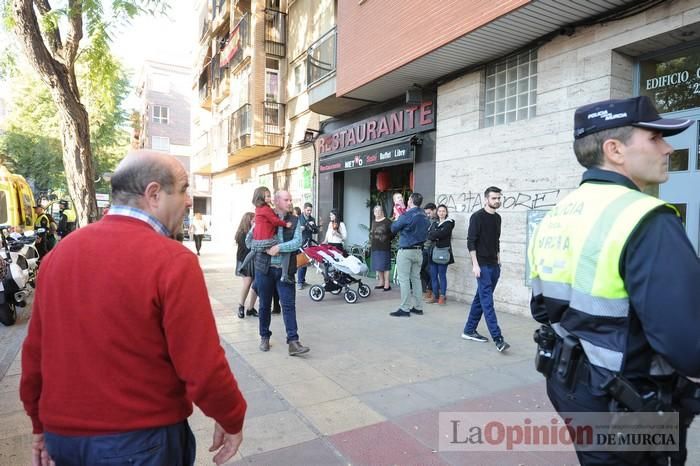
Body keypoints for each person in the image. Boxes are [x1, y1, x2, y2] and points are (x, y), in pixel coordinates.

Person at [20, 150, 247, 466]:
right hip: (140, 441)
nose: (189, 201)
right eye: (183, 189)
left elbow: (34, 353)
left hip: (64, 438)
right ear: (154, 194)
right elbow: (202, 365)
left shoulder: (59, 255)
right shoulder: (172, 261)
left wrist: (39, 425)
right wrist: (231, 416)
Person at [528, 96, 700, 465]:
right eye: (655, 138)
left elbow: (542, 308)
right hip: (631, 405)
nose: (668, 148)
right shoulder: (647, 219)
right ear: (614, 150)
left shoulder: (555, 216)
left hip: (571, 386)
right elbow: (689, 347)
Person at [248, 190, 310, 356]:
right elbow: (249, 239)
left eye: (291, 199)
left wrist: (278, 248)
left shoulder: (295, 220)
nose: (290, 202)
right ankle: (264, 336)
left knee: (289, 306)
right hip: (265, 269)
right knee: (264, 305)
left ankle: (293, 342)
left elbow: (297, 242)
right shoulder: (262, 216)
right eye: (286, 199)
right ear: (276, 201)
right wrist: (262, 246)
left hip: (285, 270)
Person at [462, 186, 510, 352]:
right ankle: (498, 339)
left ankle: (469, 330)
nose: (497, 201)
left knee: (480, 298)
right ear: (486, 199)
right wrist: (475, 264)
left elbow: (496, 240)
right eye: (494, 198)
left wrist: (499, 259)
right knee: (487, 302)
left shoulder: (498, 218)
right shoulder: (477, 217)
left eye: (498, 198)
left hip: (494, 265)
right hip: (481, 266)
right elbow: (471, 242)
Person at [239, 187, 293, 284]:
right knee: (285, 249)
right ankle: (284, 275)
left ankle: (242, 266)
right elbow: (275, 221)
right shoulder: (266, 209)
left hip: (257, 241)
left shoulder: (258, 209)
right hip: (267, 240)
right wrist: (286, 224)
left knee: (254, 250)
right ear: (261, 197)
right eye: (267, 196)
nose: (270, 197)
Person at [389, 193, 430, 317]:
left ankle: (405, 308)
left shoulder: (407, 215)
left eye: (408, 199)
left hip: (406, 250)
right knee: (416, 279)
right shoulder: (424, 215)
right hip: (419, 251)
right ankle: (418, 307)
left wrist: (397, 217)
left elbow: (394, 228)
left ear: (411, 201)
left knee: (404, 280)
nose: (407, 200)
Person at [426, 204, 455, 305]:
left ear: (446, 212)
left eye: (443, 211)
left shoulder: (449, 223)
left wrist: (435, 234)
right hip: (432, 252)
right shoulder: (434, 223)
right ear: (437, 212)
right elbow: (429, 234)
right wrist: (436, 234)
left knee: (442, 275)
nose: (441, 213)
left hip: (443, 252)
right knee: (433, 275)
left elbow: (443, 234)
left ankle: (442, 296)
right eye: (439, 211)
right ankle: (435, 295)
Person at [235, 212, 258, 319]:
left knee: (256, 284)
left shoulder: (254, 231)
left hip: (255, 261)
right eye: (253, 220)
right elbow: (249, 246)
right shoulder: (242, 233)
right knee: (247, 283)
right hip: (245, 261)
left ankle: (251, 308)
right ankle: (241, 306)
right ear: (248, 220)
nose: (255, 221)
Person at [370, 205, 393, 291]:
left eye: (379, 211)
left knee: (385, 265)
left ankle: (387, 283)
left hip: (384, 246)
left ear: (382, 211)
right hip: (375, 246)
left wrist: (388, 239)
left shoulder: (387, 221)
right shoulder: (373, 221)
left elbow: (393, 232)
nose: (377, 212)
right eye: (375, 211)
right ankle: (381, 281)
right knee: (378, 265)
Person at [296, 202, 319, 290]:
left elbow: (315, 231)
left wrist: (314, 228)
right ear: (304, 209)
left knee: (306, 262)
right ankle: (299, 282)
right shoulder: (299, 218)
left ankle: (302, 280)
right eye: (308, 210)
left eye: (310, 210)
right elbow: (295, 231)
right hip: (301, 243)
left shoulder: (312, 218)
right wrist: (302, 228)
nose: (309, 212)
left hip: (308, 242)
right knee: (301, 262)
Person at [421, 202, 438, 300]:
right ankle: (429, 287)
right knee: (421, 269)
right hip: (425, 247)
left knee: (432, 270)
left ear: (434, 210)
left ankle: (430, 290)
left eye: (429, 213)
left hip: (433, 249)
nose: (427, 215)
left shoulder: (438, 220)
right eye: (426, 213)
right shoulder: (427, 220)